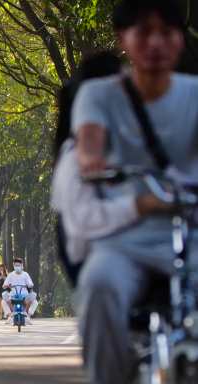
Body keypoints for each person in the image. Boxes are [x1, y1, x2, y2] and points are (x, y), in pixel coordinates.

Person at [70, 1, 198, 382]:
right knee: (98, 286)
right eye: (144, 32)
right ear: (123, 38)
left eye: (166, 32)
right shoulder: (99, 96)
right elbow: (90, 139)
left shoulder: (194, 95)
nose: (155, 43)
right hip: (125, 240)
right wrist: (91, 160)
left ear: (179, 40)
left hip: (190, 233)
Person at [1, 258, 37, 324]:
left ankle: (27, 316)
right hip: (13, 296)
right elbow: (4, 285)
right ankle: (10, 316)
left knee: (34, 300)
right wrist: (6, 285)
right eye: (16, 265)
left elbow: (30, 283)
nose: (17, 267)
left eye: (19, 265)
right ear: (13, 266)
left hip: (24, 296)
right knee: (3, 299)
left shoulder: (25, 274)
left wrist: (30, 285)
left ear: (22, 265)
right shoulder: (10, 275)